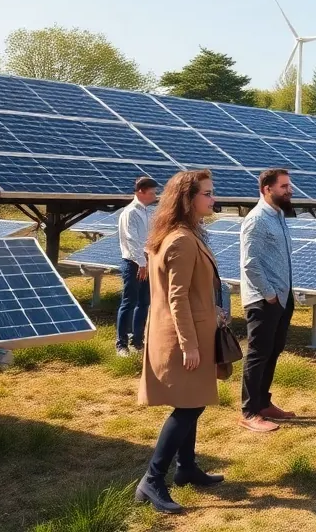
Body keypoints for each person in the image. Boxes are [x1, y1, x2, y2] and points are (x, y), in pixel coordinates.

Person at [137, 169, 223, 515]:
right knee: (189, 406)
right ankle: (152, 479)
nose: (213, 199)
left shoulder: (178, 234)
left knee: (192, 399)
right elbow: (177, 297)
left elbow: (189, 291)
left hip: (186, 329)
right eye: (207, 193)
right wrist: (189, 344)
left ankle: (186, 467)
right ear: (188, 199)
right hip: (182, 336)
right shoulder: (182, 240)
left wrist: (212, 309)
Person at [239, 168, 296, 433]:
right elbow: (250, 263)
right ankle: (249, 411)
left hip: (282, 297)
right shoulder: (256, 219)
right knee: (258, 354)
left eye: (289, 185)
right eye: (284, 186)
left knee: (273, 350)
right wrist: (269, 293)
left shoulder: (279, 215)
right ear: (267, 189)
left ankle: (263, 403)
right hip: (264, 299)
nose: (289, 190)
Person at [116, 176, 158, 357]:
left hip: (146, 263)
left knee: (144, 303)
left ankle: (137, 342)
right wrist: (141, 263)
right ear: (140, 192)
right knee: (129, 302)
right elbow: (131, 240)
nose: (154, 196)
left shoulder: (147, 212)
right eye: (151, 193)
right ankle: (121, 344)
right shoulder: (130, 212)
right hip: (133, 264)